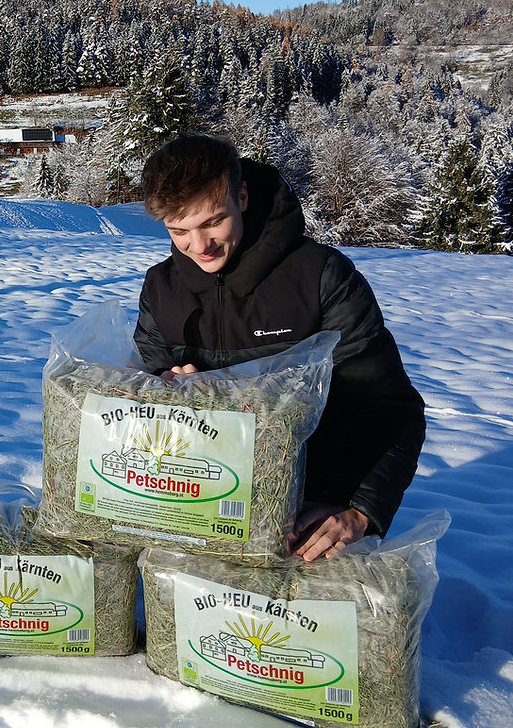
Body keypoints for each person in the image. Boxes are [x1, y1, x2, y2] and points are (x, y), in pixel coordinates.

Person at [133, 131, 426, 563]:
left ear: (243, 197)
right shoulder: (161, 290)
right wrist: (164, 390)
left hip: (312, 521)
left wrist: (361, 510)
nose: (200, 246)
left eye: (213, 221)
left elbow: (391, 408)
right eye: (180, 231)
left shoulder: (322, 277)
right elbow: (140, 411)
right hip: (199, 508)